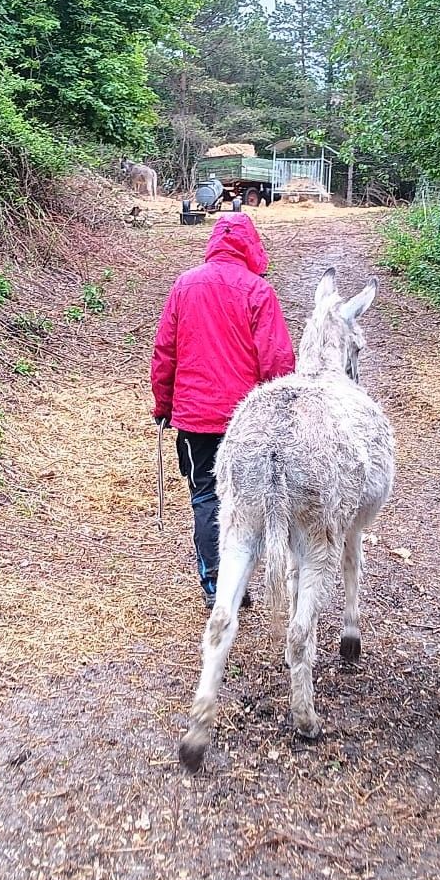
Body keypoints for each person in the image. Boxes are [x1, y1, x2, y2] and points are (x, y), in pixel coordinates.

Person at [150, 212, 295, 607]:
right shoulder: (258, 291)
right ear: (252, 247)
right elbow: (278, 361)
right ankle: (238, 582)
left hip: (195, 419)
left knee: (206, 497)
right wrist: (281, 415)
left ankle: (215, 584)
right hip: (247, 422)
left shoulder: (185, 286)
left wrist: (163, 405)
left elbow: (165, 352)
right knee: (247, 501)